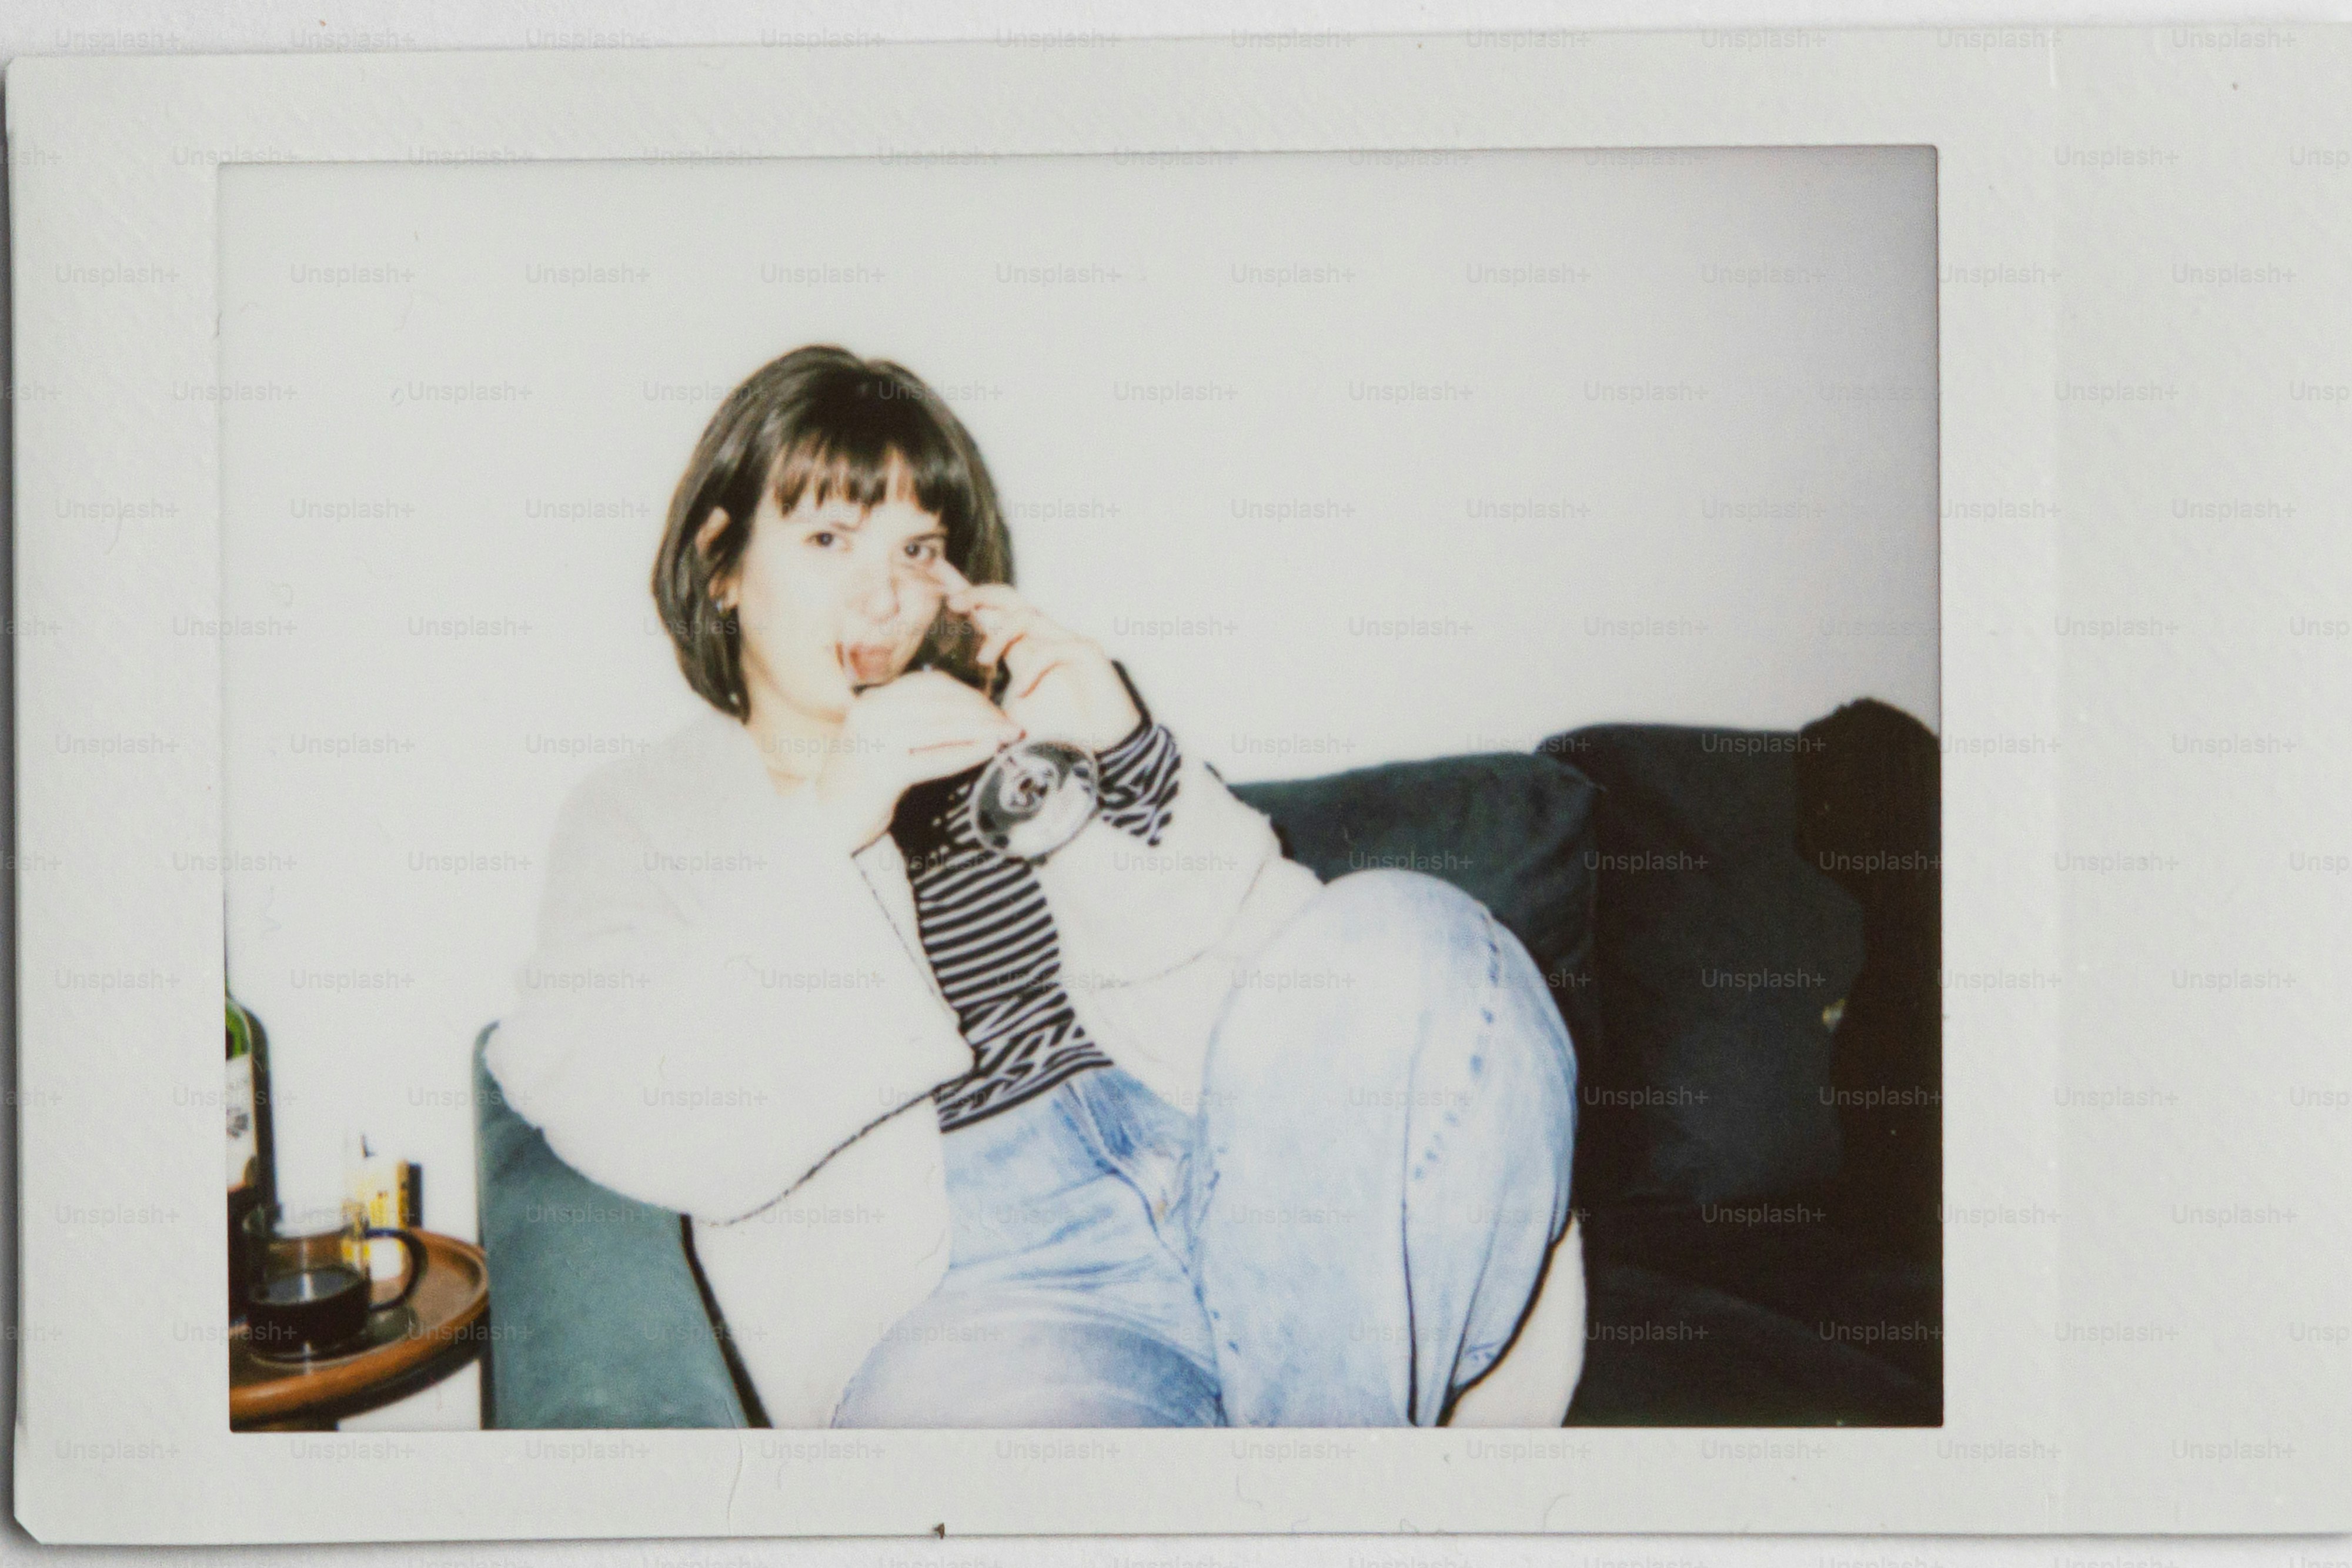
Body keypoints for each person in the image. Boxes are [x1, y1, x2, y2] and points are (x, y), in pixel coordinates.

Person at [486, 345, 1586, 1428]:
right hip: (985, 1286)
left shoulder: (1022, 739)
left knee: (1410, 931)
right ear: (722, 566)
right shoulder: (642, 818)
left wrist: (1126, 747)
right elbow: (613, 1094)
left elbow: (1310, 1001)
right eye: (829, 536)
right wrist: (832, 817)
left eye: (918, 547)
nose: (884, 593)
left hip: (1255, 1181)